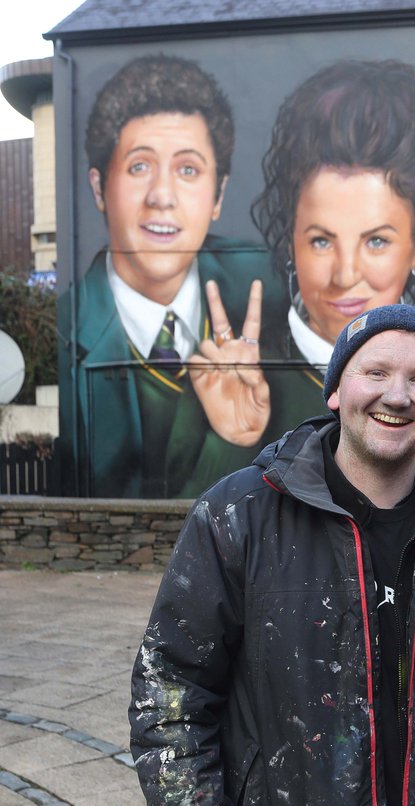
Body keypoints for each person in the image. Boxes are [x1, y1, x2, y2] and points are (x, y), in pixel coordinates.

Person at [129, 305, 415, 806]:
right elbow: (171, 693)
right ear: (335, 390)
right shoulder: (238, 516)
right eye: (375, 372)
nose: (397, 395)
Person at [60, 53, 277, 498]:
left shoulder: (278, 289)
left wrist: (236, 438)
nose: (162, 196)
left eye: (188, 170)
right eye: (139, 166)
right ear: (99, 188)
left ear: (218, 195)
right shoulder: (65, 328)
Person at [243, 59, 415, 442]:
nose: (345, 275)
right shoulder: (235, 374)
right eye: (321, 241)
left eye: (376, 241)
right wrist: (231, 439)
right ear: (291, 241)